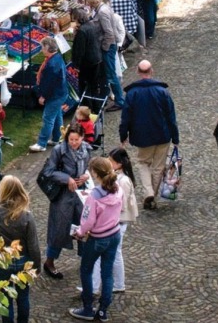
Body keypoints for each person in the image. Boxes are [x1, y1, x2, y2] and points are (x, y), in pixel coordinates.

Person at [119, 60, 180, 210]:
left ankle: (148, 192)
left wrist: (123, 135)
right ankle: (152, 195)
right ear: (151, 71)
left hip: (142, 137)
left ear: (138, 72)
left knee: (143, 163)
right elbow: (171, 117)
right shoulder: (163, 92)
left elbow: (126, 117)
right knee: (158, 167)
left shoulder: (132, 93)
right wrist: (175, 137)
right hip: (162, 135)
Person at [69, 157, 123, 322]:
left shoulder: (94, 197)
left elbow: (87, 222)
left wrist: (79, 231)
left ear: (95, 173)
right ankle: (103, 311)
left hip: (98, 238)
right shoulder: (118, 188)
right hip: (114, 234)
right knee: (107, 273)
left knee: (86, 269)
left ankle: (87, 308)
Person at [38, 121, 91, 279]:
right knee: (59, 228)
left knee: (84, 225)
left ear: (82, 138)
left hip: (81, 194)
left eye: (77, 139)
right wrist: (67, 178)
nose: (74, 143)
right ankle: (49, 261)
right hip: (62, 194)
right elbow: (48, 171)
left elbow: (87, 166)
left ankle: (85, 260)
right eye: (71, 140)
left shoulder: (87, 149)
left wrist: (86, 175)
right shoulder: (59, 150)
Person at [0, 175, 42, 323]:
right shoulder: (26, 216)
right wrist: (36, 267)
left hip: (2, 260)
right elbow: (33, 246)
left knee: (5, 298)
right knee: (23, 296)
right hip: (22, 261)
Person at [89, 148, 137, 296]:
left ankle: (97, 286)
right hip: (117, 221)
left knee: (111, 254)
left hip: (118, 222)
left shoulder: (123, 181)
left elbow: (120, 205)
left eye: (111, 161)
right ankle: (117, 284)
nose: (108, 163)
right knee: (115, 253)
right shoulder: (120, 178)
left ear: (119, 164)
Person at [28, 37, 71, 153]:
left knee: (48, 118)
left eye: (42, 47)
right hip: (61, 93)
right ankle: (57, 138)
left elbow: (49, 84)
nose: (41, 49)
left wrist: (43, 96)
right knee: (57, 116)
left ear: (47, 47)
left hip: (55, 95)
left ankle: (41, 144)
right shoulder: (57, 58)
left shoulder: (51, 64)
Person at [85, 0, 124, 112]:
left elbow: (109, 33)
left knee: (111, 75)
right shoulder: (103, 8)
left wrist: (104, 48)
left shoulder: (102, 12)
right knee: (108, 74)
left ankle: (120, 101)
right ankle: (108, 97)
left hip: (108, 46)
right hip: (109, 45)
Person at [70, 7, 105, 104]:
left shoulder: (82, 31)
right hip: (97, 58)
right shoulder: (92, 25)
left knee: (85, 86)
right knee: (94, 85)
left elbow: (79, 50)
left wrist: (76, 65)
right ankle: (96, 106)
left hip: (87, 63)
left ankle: (87, 107)